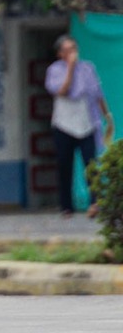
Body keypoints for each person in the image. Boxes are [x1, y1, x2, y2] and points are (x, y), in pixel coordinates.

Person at [45, 35, 113, 218]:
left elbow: (98, 93)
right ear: (60, 54)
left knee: (91, 164)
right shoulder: (54, 70)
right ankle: (66, 207)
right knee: (64, 165)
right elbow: (62, 91)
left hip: (86, 123)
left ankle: (95, 202)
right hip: (63, 124)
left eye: (74, 48)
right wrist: (70, 68)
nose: (72, 53)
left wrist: (107, 115)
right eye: (68, 50)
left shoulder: (87, 68)